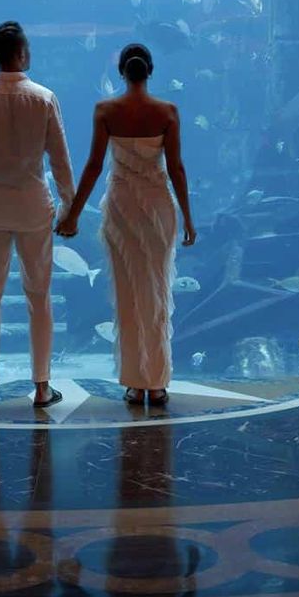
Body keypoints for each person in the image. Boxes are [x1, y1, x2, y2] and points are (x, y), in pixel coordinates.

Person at [56, 43, 196, 407]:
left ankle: (135, 383)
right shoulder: (168, 111)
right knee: (158, 290)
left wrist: (72, 213)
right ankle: (159, 382)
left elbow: (93, 166)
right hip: (158, 207)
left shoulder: (106, 110)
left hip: (121, 209)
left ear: (121, 72)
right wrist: (188, 219)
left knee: (128, 293)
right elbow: (177, 169)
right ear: (149, 72)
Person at [0, 20, 76, 410]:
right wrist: (69, 206)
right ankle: (42, 386)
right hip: (33, 206)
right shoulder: (43, 98)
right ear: (22, 54)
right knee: (38, 297)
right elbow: (60, 161)